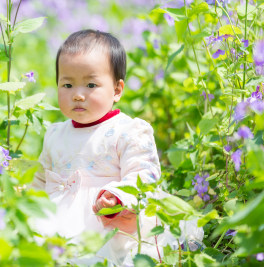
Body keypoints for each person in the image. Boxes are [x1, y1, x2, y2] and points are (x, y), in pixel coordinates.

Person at [32, 29, 202, 266]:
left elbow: (145, 175)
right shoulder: (55, 134)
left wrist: (119, 197)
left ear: (117, 90)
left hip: (109, 223)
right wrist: (27, 196)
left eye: (91, 85)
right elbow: (41, 179)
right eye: (67, 85)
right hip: (59, 221)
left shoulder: (127, 131)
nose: (78, 95)